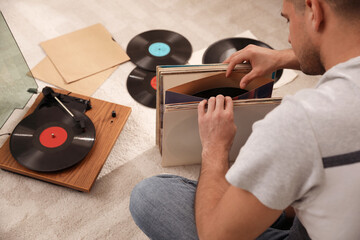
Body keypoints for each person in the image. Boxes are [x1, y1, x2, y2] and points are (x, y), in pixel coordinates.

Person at [130, 0, 360, 239]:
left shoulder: (301, 122)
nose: (289, 38)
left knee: (148, 195)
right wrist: (283, 57)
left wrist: (214, 148)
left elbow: (215, 236)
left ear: (314, 9)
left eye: (288, 20)